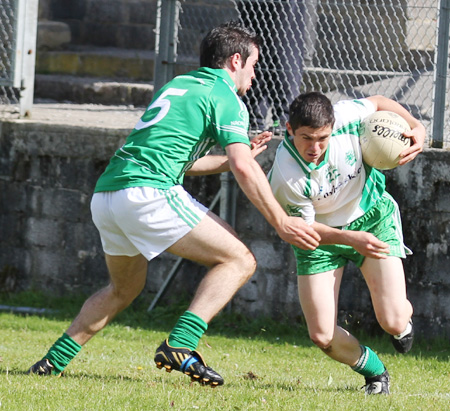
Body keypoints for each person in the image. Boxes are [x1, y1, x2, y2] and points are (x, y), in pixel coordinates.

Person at [27, 22, 320, 386]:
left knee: (123, 290)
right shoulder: (227, 96)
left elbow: (182, 160)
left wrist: (231, 159)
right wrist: (280, 221)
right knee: (240, 259)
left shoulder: (179, 85)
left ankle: (50, 364)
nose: (254, 73)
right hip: (148, 194)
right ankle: (180, 344)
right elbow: (245, 168)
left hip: (107, 196)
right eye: (254, 64)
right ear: (234, 60)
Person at [268, 92, 425, 394]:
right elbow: (304, 229)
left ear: (332, 126)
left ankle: (402, 323)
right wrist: (349, 238)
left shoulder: (346, 117)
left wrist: (417, 127)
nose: (315, 148)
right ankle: (376, 372)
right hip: (318, 239)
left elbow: (379, 101)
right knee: (321, 335)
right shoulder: (286, 176)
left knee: (392, 321)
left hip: (373, 217)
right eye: (306, 138)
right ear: (289, 129)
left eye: (322, 138)